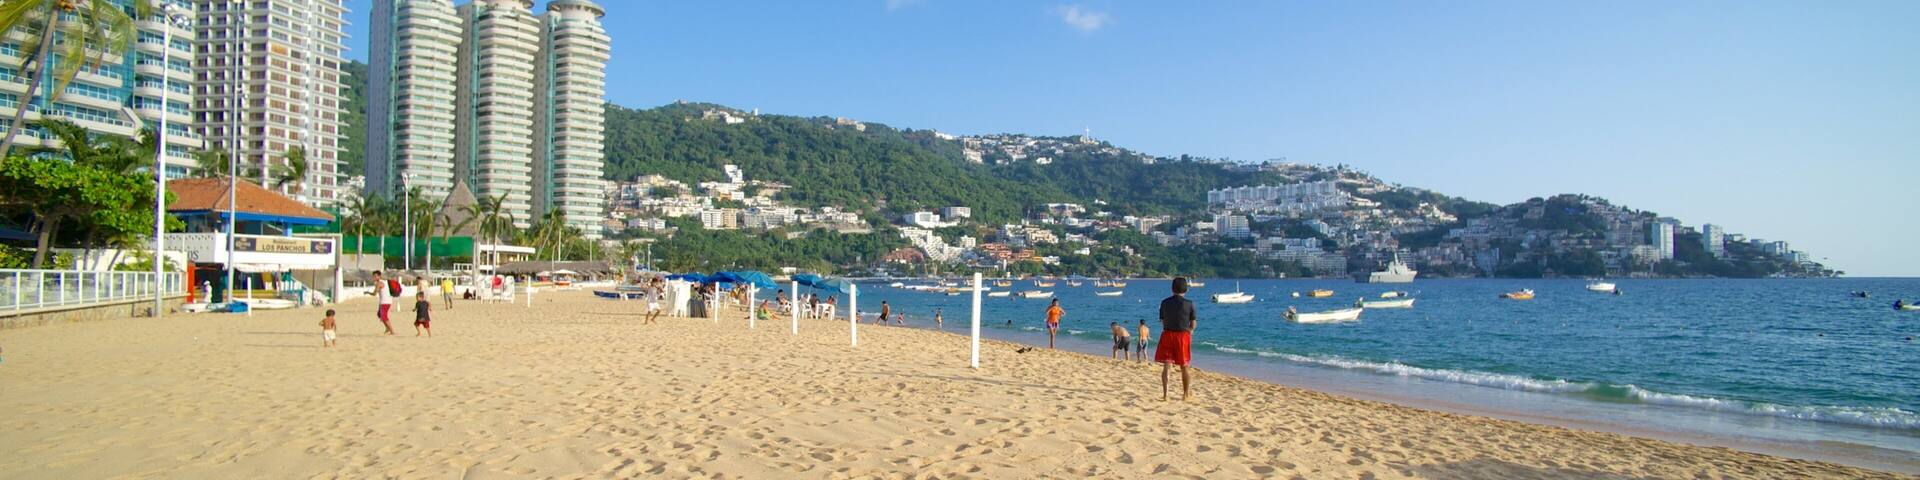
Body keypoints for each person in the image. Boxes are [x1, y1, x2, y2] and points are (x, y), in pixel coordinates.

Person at [1156, 277, 1197, 401]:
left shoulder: (1164, 302)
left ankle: (1165, 395)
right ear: (1186, 289)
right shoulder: (1189, 304)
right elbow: (1193, 323)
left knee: (1167, 365)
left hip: (1168, 334)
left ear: (1172, 289)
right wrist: (1190, 331)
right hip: (1183, 335)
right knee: (1184, 365)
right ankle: (1185, 394)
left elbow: (1162, 321)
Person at [369, 271, 396, 335]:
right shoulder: (384, 282)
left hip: (385, 302)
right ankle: (387, 328)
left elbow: (374, 293)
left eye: (376, 276)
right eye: (374, 276)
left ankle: (392, 331)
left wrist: (368, 292)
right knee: (380, 315)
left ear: (379, 276)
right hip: (386, 301)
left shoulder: (379, 283)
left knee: (384, 316)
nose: (374, 277)